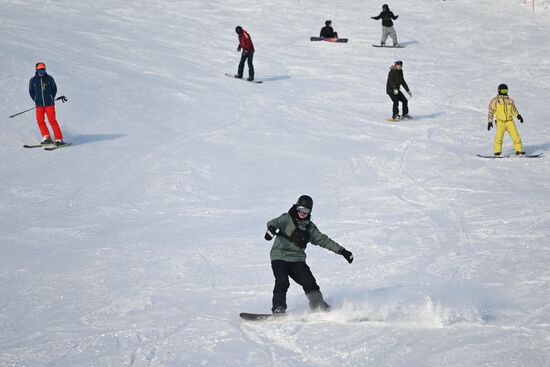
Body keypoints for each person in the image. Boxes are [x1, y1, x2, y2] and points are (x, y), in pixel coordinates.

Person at [264, 195, 354, 314]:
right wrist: (271, 230)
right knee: (282, 281)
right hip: (280, 256)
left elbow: (323, 240)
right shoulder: (287, 218)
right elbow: (274, 223)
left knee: (309, 282)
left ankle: (318, 306)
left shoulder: (310, 228)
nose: (302, 213)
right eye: (300, 209)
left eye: (306, 210)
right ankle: (278, 308)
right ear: (296, 207)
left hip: (297, 259)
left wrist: (342, 251)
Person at [29, 62, 65, 146]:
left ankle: (59, 139)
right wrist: (36, 99)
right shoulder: (33, 80)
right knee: (40, 121)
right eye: (40, 70)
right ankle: (46, 137)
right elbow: (31, 91)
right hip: (39, 105)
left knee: (52, 121)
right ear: (36, 70)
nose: (42, 72)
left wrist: (51, 98)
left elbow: (54, 89)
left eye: (43, 70)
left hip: (49, 104)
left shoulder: (49, 78)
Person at [487, 84, 525, 156]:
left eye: (506, 90)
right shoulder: (495, 101)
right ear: (499, 91)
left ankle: (519, 151)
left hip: (510, 121)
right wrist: (490, 121)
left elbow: (514, 110)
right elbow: (491, 111)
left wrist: (518, 115)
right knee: (499, 137)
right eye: (503, 90)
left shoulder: (510, 101)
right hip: (500, 122)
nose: (504, 92)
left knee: (516, 136)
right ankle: (497, 151)